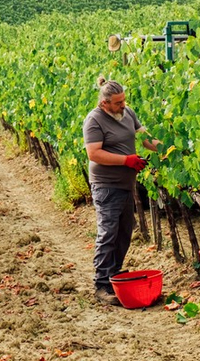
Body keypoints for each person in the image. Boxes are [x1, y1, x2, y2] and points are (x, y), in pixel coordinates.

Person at [83, 76, 159, 306]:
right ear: (104, 103)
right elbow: (94, 154)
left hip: (126, 185)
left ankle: (114, 275)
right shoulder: (94, 121)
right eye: (117, 103)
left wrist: (167, 148)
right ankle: (102, 285)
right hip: (106, 186)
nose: (122, 105)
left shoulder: (128, 113)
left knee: (125, 231)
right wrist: (126, 160)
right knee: (108, 233)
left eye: (124, 100)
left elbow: (144, 137)